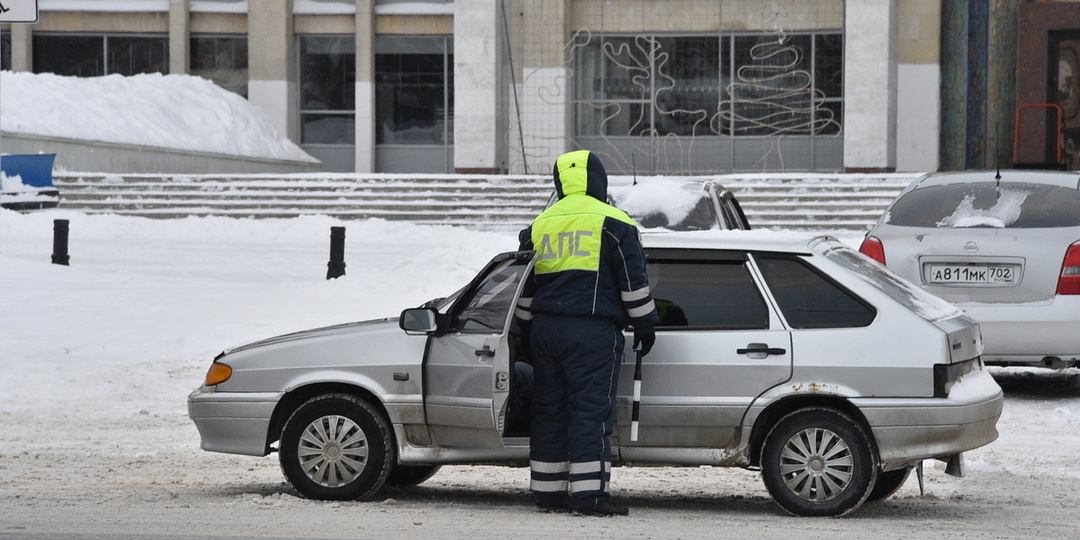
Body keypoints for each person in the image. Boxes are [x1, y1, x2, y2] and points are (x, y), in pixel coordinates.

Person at [515, 149, 658, 517]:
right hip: (592, 332)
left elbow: (525, 288)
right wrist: (644, 324)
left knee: (549, 411)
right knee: (589, 413)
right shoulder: (613, 222)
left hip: (545, 333)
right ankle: (589, 496)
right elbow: (633, 284)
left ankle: (548, 492)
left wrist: (523, 334)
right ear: (598, 179)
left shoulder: (540, 224)